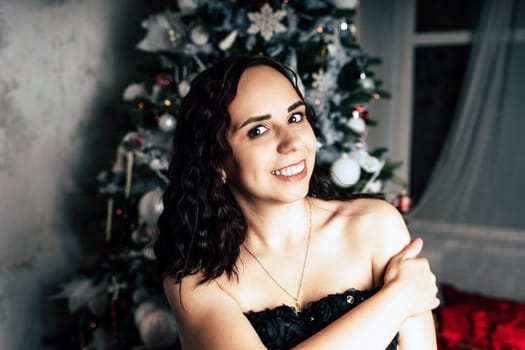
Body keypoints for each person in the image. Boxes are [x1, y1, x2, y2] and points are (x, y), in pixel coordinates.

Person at [154, 56, 439, 349]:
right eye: (258, 130)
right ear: (217, 162)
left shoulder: (375, 226)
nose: (291, 143)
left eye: (295, 117)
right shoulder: (194, 276)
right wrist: (397, 301)